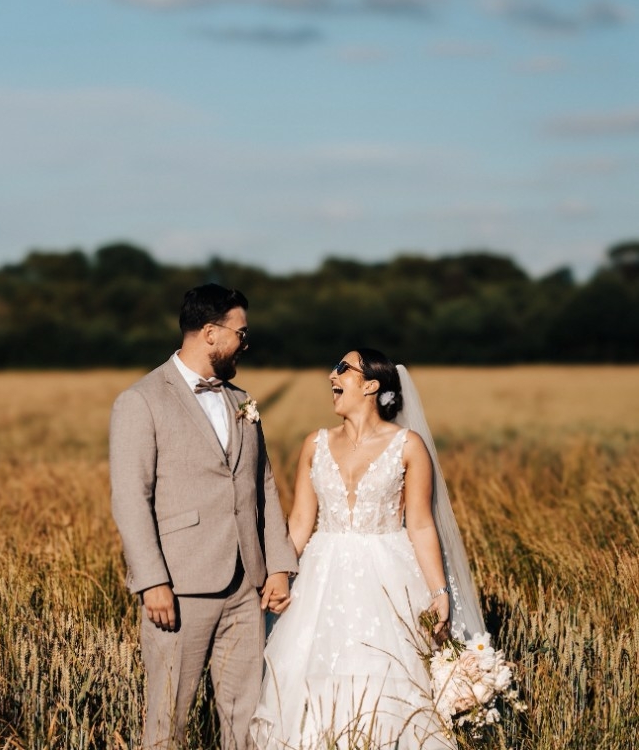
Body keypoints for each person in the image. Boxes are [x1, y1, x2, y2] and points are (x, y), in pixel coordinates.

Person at [251, 348, 485, 750]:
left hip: (388, 576)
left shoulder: (408, 446)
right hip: (321, 579)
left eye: (343, 368)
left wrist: (439, 592)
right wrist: (279, 573)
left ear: (372, 385)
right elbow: (301, 522)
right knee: (308, 674)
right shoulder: (315, 443)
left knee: (388, 677)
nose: (331, 375)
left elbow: (422, 523)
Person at [110, 284, 298, 750]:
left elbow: (264, 486)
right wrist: (152, 581)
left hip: (246, 586)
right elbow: (131, 498)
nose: (246, 343)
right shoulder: (141, 400)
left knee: (246, 719)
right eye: (241, 332)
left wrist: (278, 564)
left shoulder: (242, 401)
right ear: (211, 333)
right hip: (179, 586)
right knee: (168, 719)